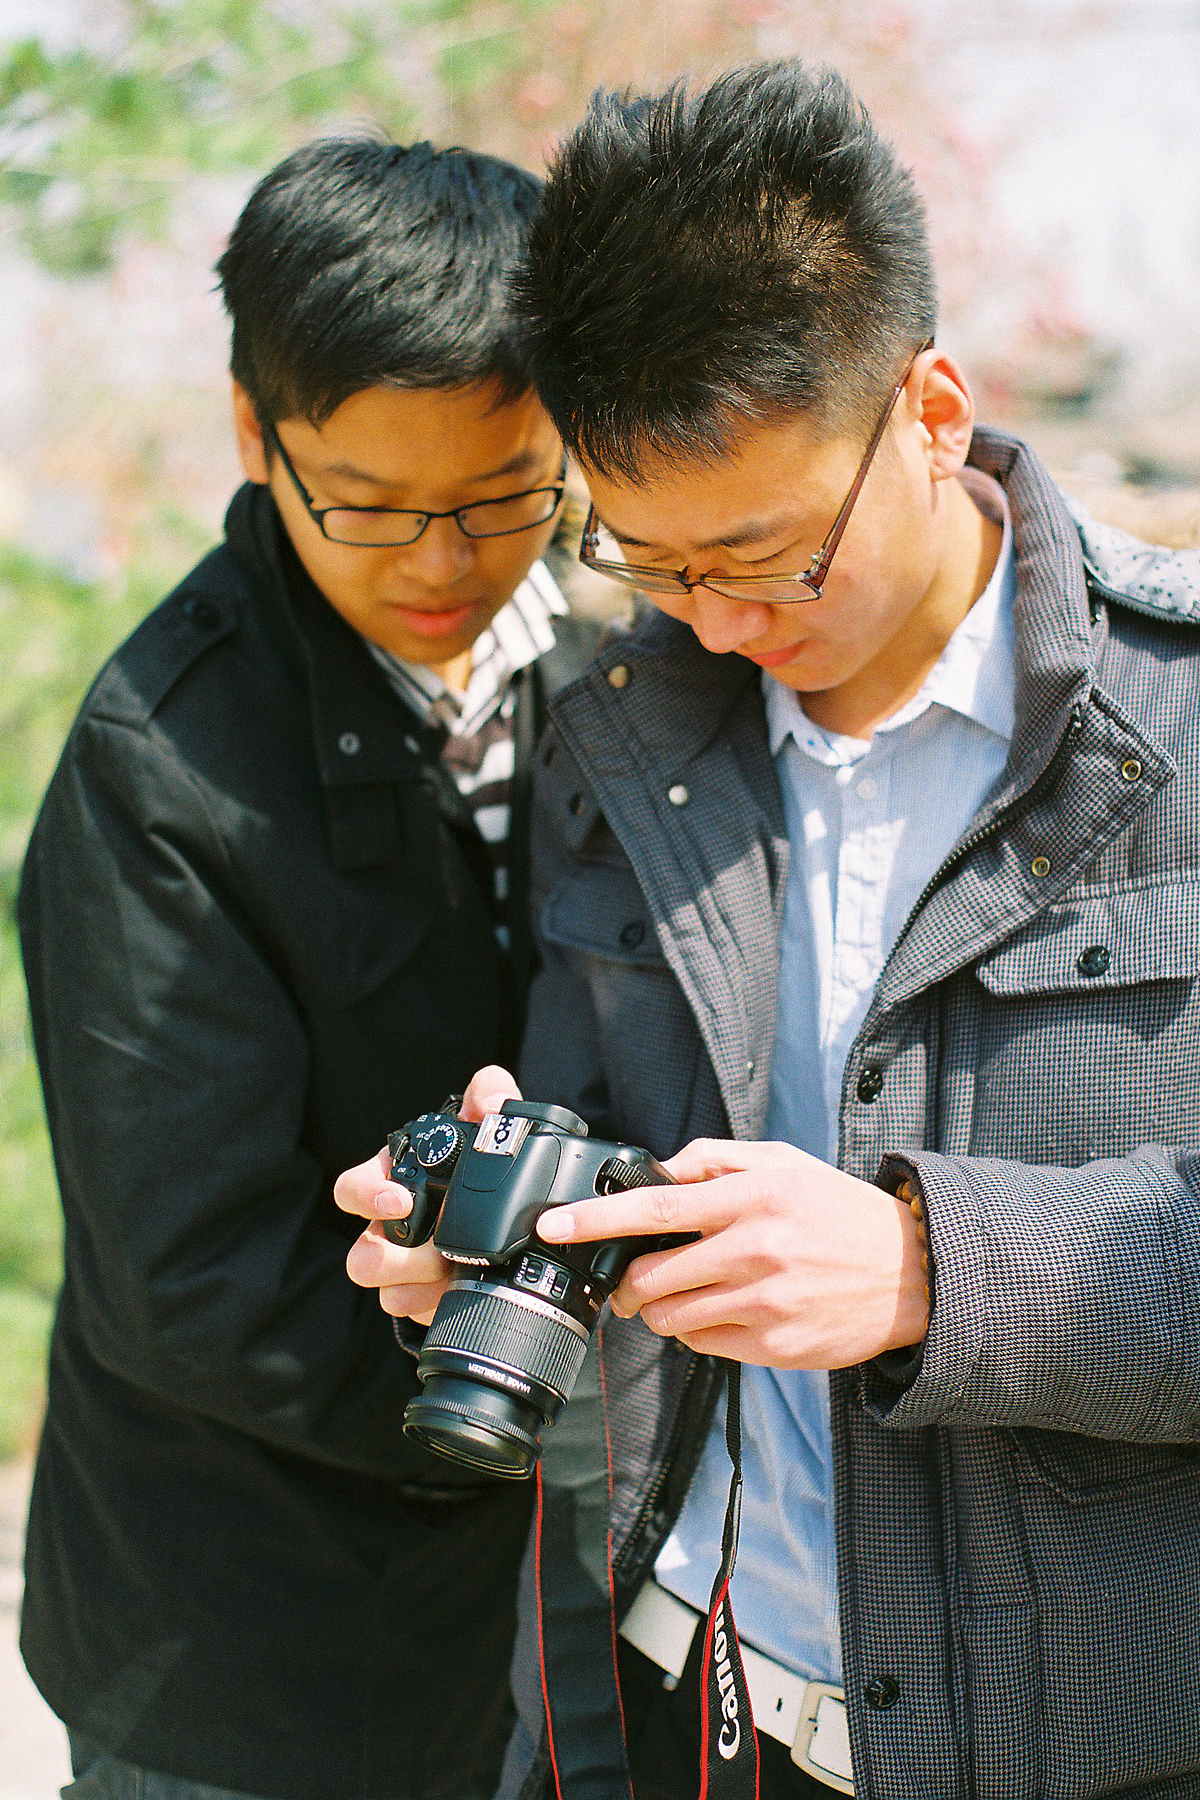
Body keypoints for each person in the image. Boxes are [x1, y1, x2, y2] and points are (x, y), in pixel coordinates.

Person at [335, 61, 1200, 1800]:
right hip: (692, 1691)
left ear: (931, 409)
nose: (719, 626)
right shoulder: (621, 729)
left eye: (772, 556)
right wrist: (497, 1243)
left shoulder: (1170, 726)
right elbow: (611, 1144)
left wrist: (933, 1273)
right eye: (651, 564)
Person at [18, 135, 603, 1800]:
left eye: (501, 495)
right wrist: (563, 1399)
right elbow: (194, 1276)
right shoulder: (163, 765)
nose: (439, 565)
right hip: (244, 1640)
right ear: (252, 435)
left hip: (550, 1615)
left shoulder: (628, 654)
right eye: (368, 507)